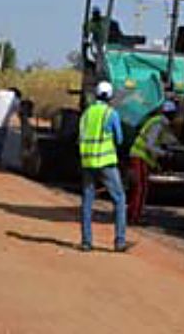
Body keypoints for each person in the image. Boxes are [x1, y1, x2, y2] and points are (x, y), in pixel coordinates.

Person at [78, 81, 127, 252]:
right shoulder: (110, 114)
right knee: (119, 199)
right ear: (110, 96)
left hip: (88, 162)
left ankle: (86, 241)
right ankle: (119, 241)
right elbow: (119, 139)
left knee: (87, 201)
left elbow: (80, 136)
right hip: (106, 162)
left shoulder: (86, 114)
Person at [128, 100, 179, 225]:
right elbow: (150, 145)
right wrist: (165, 154)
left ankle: (131, 214)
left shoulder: (158, 123)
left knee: (139, 188)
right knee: (141, 188)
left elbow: (169, 140)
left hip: (140, 156)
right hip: (140, 156)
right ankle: (134, 218)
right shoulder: (158, 124)